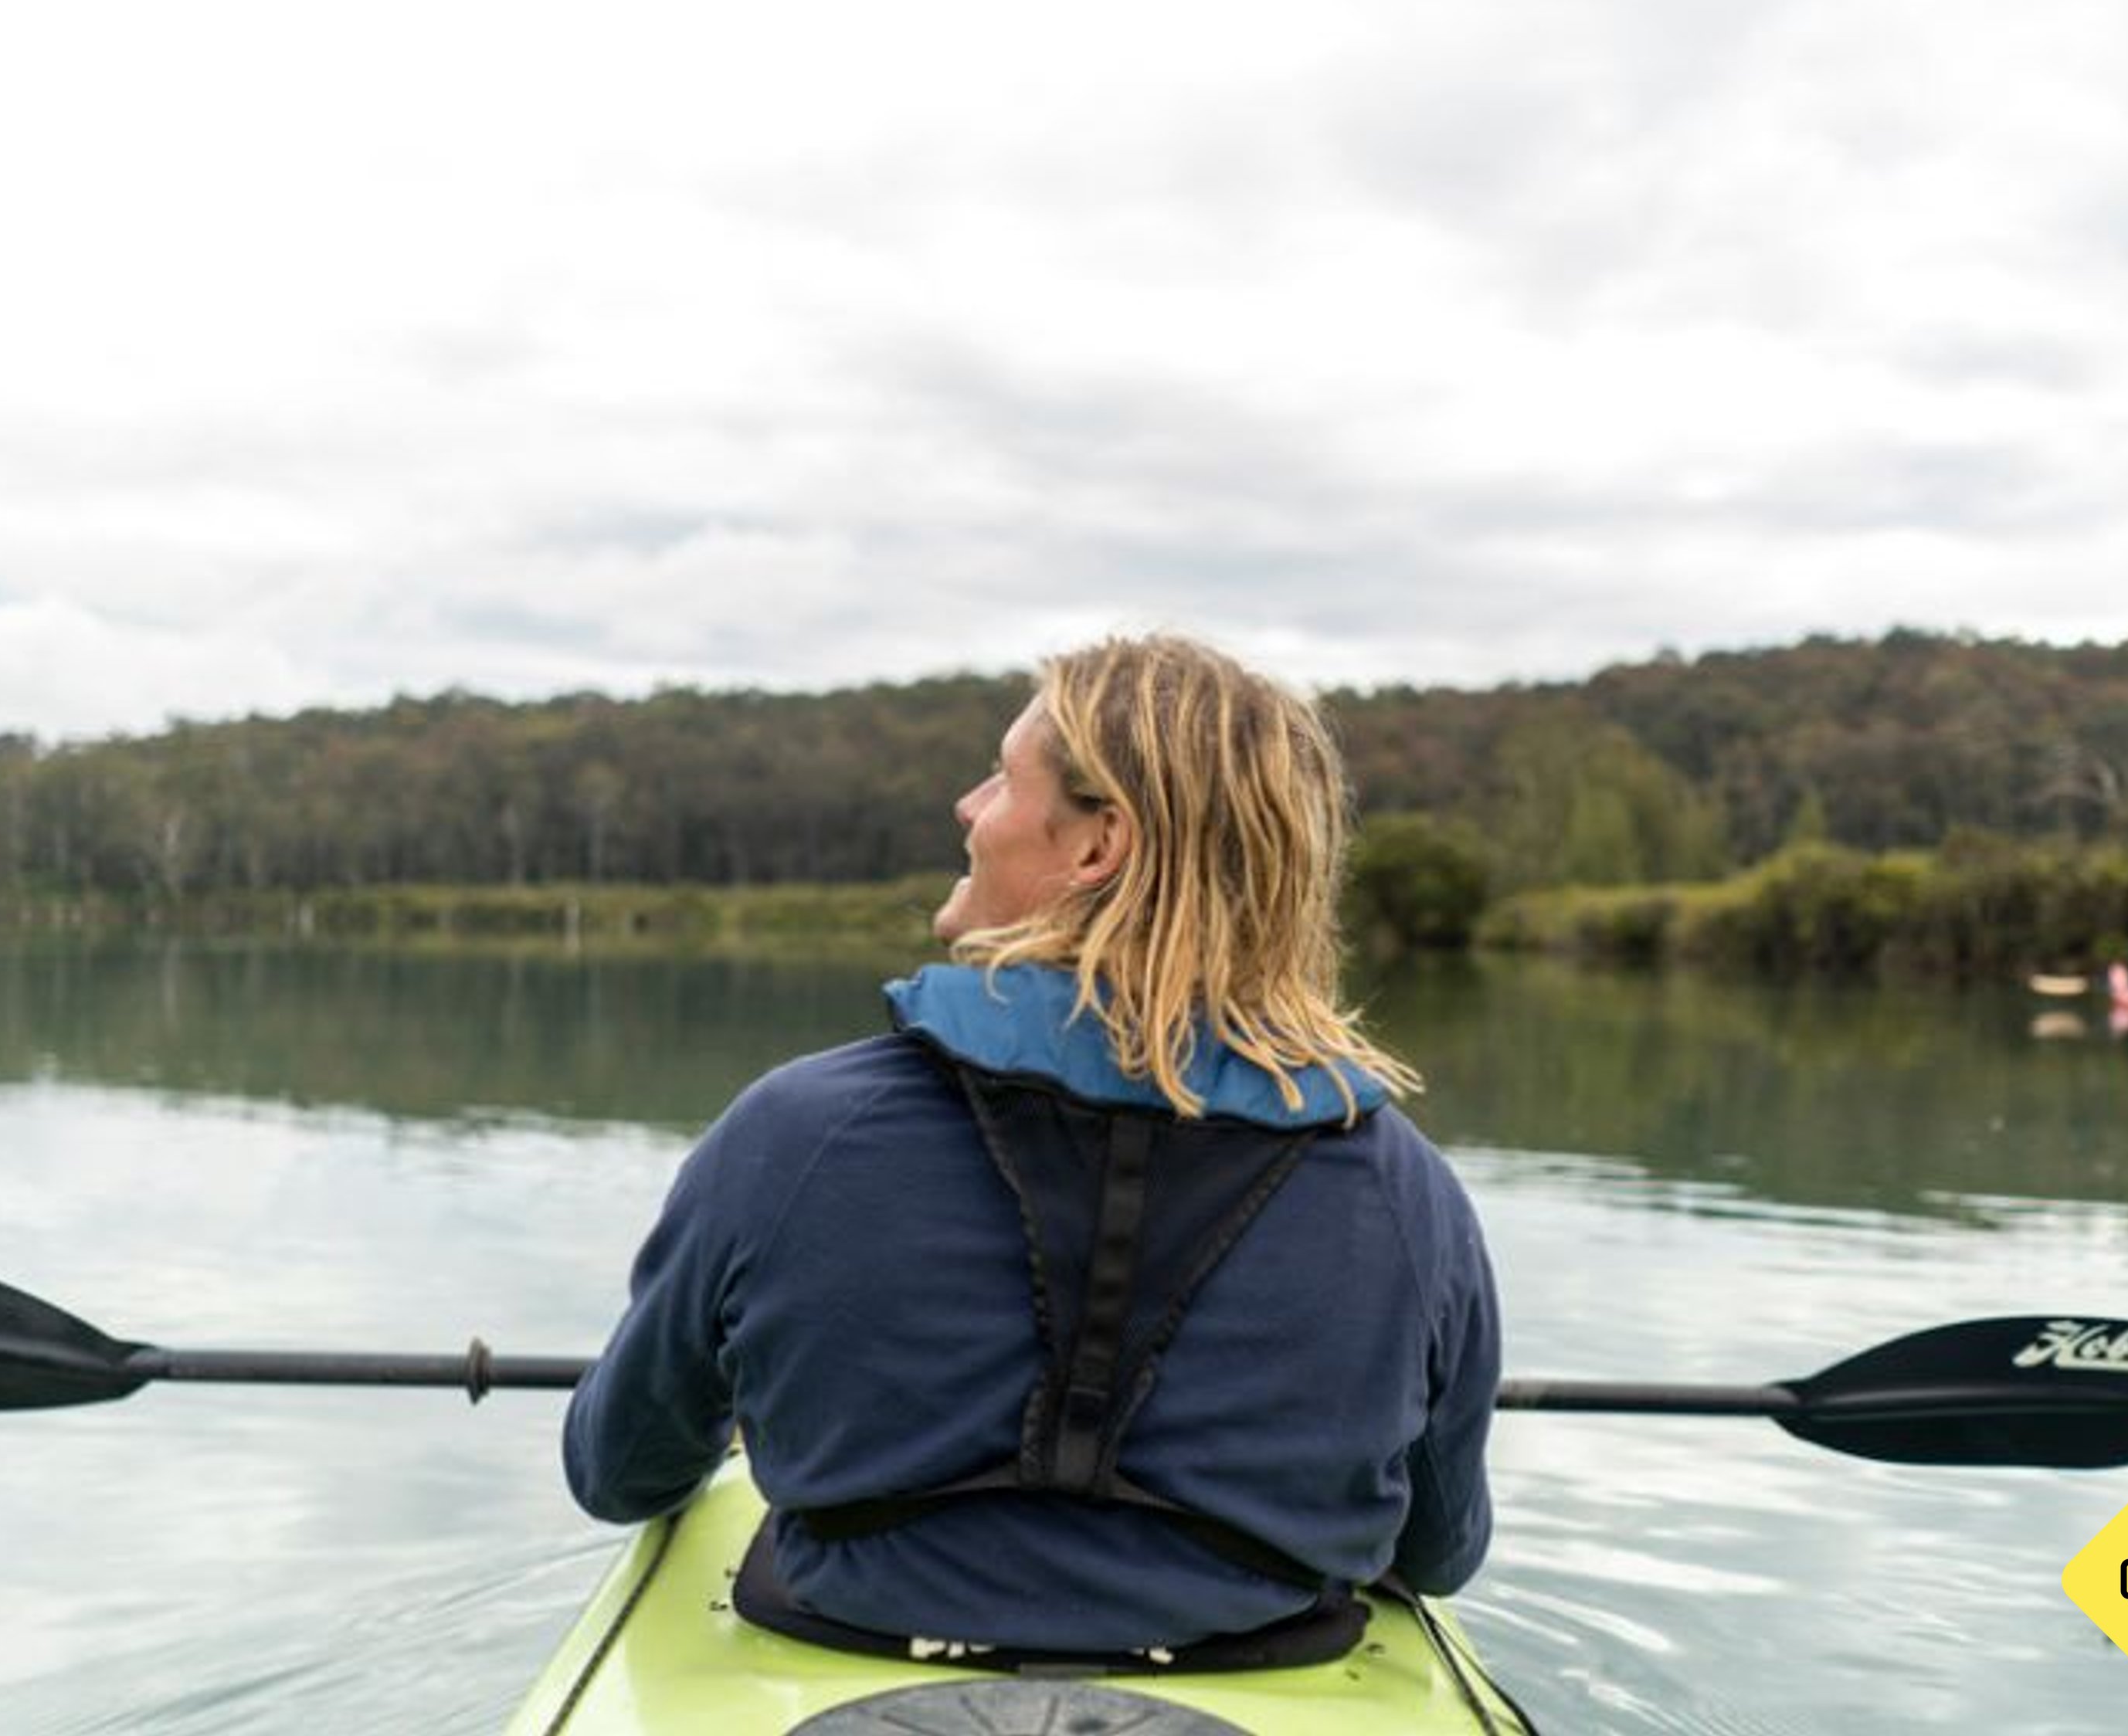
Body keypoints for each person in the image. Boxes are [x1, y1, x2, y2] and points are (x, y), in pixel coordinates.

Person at [562, 633, 1501, 1658]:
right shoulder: (1408, 1193)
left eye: (1002, 782)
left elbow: (622, 1474)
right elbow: (1439, 1551)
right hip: (1255, 1652)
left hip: (850, 1636)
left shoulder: (795, 1135)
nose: (968, 809)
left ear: (1098, 847)